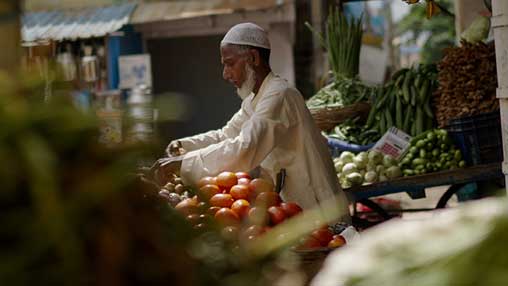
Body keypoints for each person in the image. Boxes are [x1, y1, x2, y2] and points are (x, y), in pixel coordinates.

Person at [157, 23, 350, 221]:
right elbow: (226, 135)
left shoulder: (279, 95)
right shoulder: (255, 99)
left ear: (253, 58)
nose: (225, 74)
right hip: (295, 209)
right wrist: (183, 146)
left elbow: (246, 147)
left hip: (319, 209)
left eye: (230, 64)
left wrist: (183, 164)